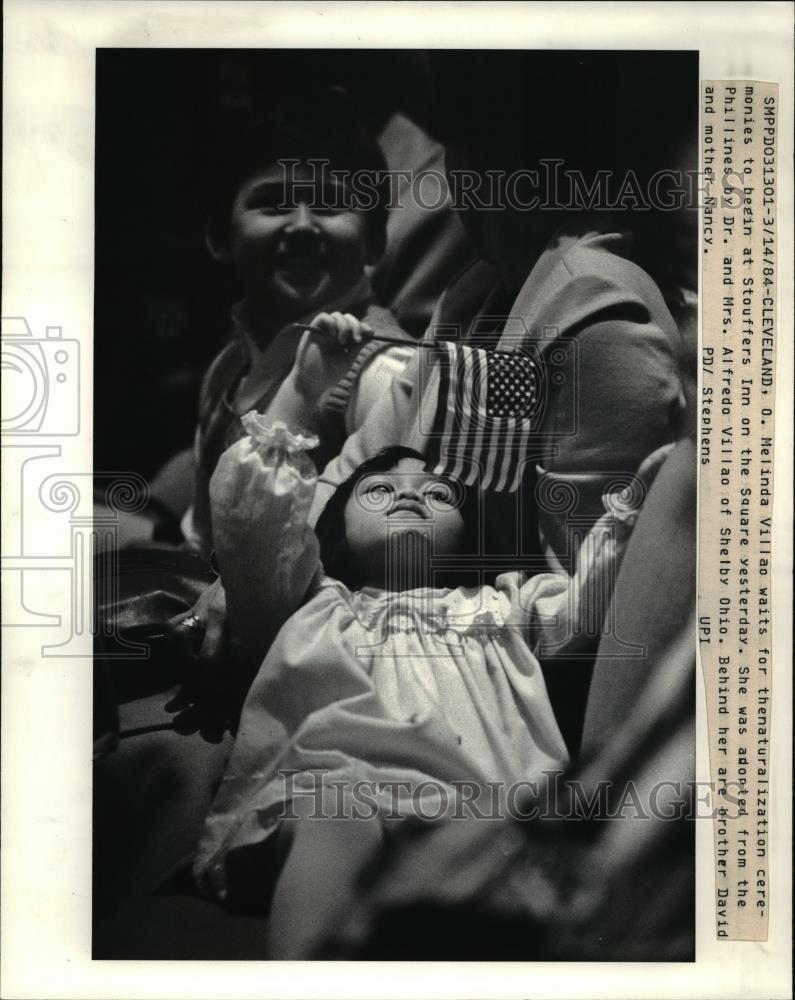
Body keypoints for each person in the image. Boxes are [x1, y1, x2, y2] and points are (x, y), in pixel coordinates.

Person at [190, 319, 665, 958]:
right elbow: (254, 528)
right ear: (336, 528)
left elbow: (588, 610)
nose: (408, 499)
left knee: (486, 873)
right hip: (344, 783)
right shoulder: (313, 599)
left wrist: (639, 504)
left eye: (437, 493)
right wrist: (302, 391)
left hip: (480, 803)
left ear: (464, 531)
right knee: (338, 815)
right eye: (379, 491)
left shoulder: (505, 604)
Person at [180, 90, 416, 560]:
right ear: (219, 237)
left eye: (329, 206)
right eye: (273, 204)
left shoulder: (387, 377)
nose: (303, 226)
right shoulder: (229, 364)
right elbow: (204, 541)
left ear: (374, 242)